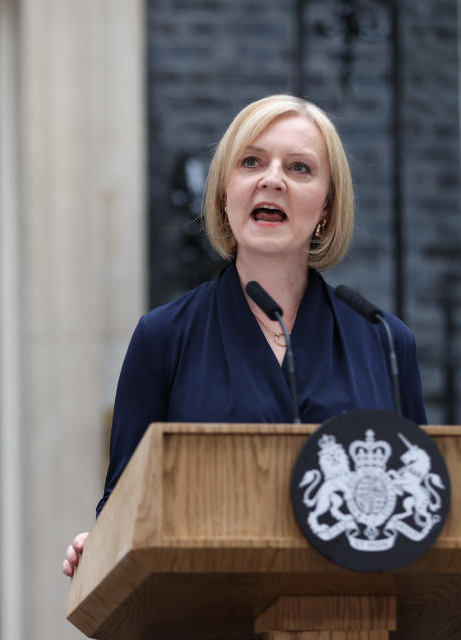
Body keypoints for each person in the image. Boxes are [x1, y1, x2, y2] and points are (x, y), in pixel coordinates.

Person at [62, 94, 426, 578]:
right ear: (223, 193)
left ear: (326, 206)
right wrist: (100, 543)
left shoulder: (383, 339)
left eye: (299, 168)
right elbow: (125, 503)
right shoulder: (163, 337)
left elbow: (419, 506)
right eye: (251, 161)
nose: (271, 179)